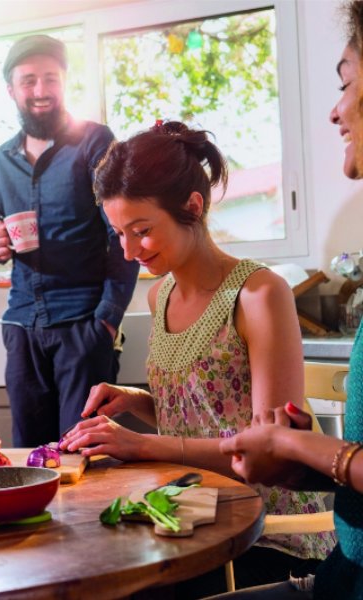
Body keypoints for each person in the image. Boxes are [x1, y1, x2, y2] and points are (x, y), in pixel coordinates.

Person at [59, 120, 334, 596]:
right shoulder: (158, 296)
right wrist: (135, 400)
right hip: (195, 516)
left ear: (192, 206)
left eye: (141, 231)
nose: (128, 251)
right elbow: (202, 416)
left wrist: (141, 445)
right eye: (118, 234)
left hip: (271, 534)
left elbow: (269, 449)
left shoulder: (257, 294)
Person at [211, 2, 363, 598]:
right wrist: (300, 461)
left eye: (346, 83)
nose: (333, 110)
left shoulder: (256, 291)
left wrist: (300, 444)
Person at [0, 34, 139, 447]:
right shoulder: (2, 158)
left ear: (64, 81)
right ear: (12, 90)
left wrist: (106, 321)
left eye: (50, 79)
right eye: (29, 80)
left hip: (82, 326)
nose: (40, 91)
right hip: (22, 327)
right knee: (29, 460)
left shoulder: (94, 141)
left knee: (84, 454)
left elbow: (122, 234)